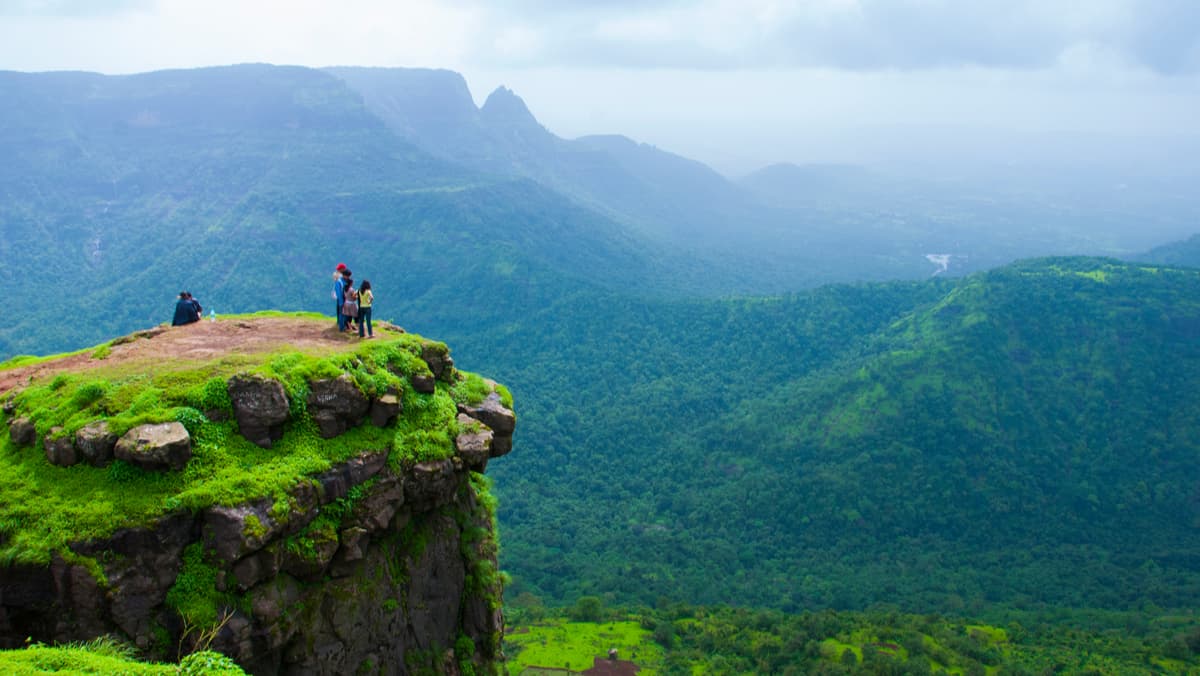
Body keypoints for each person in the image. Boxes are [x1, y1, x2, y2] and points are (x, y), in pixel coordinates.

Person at [332, 263, 348, 331]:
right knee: (341, 310)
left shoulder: (335, 274)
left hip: (337, 294)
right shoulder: (340, 276)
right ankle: (342, 324)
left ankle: (339, 321)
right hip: (340, 294)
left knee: (338, 308)